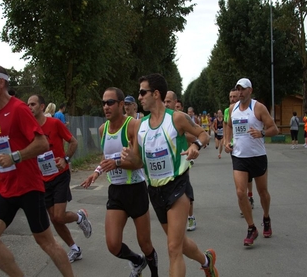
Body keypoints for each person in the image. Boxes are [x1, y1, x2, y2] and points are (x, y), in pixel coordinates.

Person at [0, 65, 74, 277]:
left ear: (0, 82)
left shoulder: (19, 109)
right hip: (6, 188)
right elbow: (6, 145)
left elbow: (42, 144)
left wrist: (15, 157)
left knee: (46, 242)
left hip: (29, 187)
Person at [122, 73, 218, 277]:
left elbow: (204, 134)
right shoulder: (140, 126)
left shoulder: (176, 118)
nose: (139, 97)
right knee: (180, 243)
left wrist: (195, 146)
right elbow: (139, 162)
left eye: (142, 92)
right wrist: (130, 158)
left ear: (156, 94)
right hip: (155, 191)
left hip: (177, 185)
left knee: (173, 248)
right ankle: (206, 261)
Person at [81, 87, 158, 277]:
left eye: (110, 103)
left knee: (145, 243)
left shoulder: (133, 125)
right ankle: (137, 261)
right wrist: (97, 172)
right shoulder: (102, 129)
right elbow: (105, 158)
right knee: (113, 245)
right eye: (103, 103)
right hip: (116, 191)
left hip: (136, 190)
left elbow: (139, 162)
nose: (105, 107)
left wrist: (116, 163)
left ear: (121, 104)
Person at [28, 94, 92, 263]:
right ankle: (74, 248)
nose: (29, 107)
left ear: (42, 107)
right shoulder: (29, 128)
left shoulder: (55, 123)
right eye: (28, 104)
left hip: (59, 176)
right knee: (54, 218)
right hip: (43, 178)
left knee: (59, 216)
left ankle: (80, 217)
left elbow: (73, 142)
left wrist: (65, 159)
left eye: (33, 104)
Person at [224, 78, 278, 247]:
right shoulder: (232, 109)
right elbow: (229, 126)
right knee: (241, 193)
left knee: (263, 192)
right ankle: (251, 227)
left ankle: (266, 217)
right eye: (238, 89)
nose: (240, 92)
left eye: (243, 89)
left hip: (257, 156)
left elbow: (274, 129)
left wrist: (261, 133)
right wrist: (227, 141)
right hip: (239, 157)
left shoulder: (258, 108)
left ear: (250, 91)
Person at [164, 91, 197, 232]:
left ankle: (190, 217)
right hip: (167, 161)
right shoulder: (162, 118)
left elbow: (196, 136)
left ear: (176, 103)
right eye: (164, 102)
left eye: (169, 102)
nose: (166, 105)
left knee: (185, 188)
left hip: (182, 159)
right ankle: (173, 216)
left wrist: (181, 134)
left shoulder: (182, 118)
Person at [224, 88, 255, 212]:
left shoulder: (248, 108)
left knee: (249, 176)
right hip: (235, 148)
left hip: (249, 147)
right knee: (241, 175)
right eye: (230, 97)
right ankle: (244, 199)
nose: (232, 99)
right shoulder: (229, 110)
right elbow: (227, 125)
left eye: (234, 97)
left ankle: (250, 195)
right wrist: (227, 141)